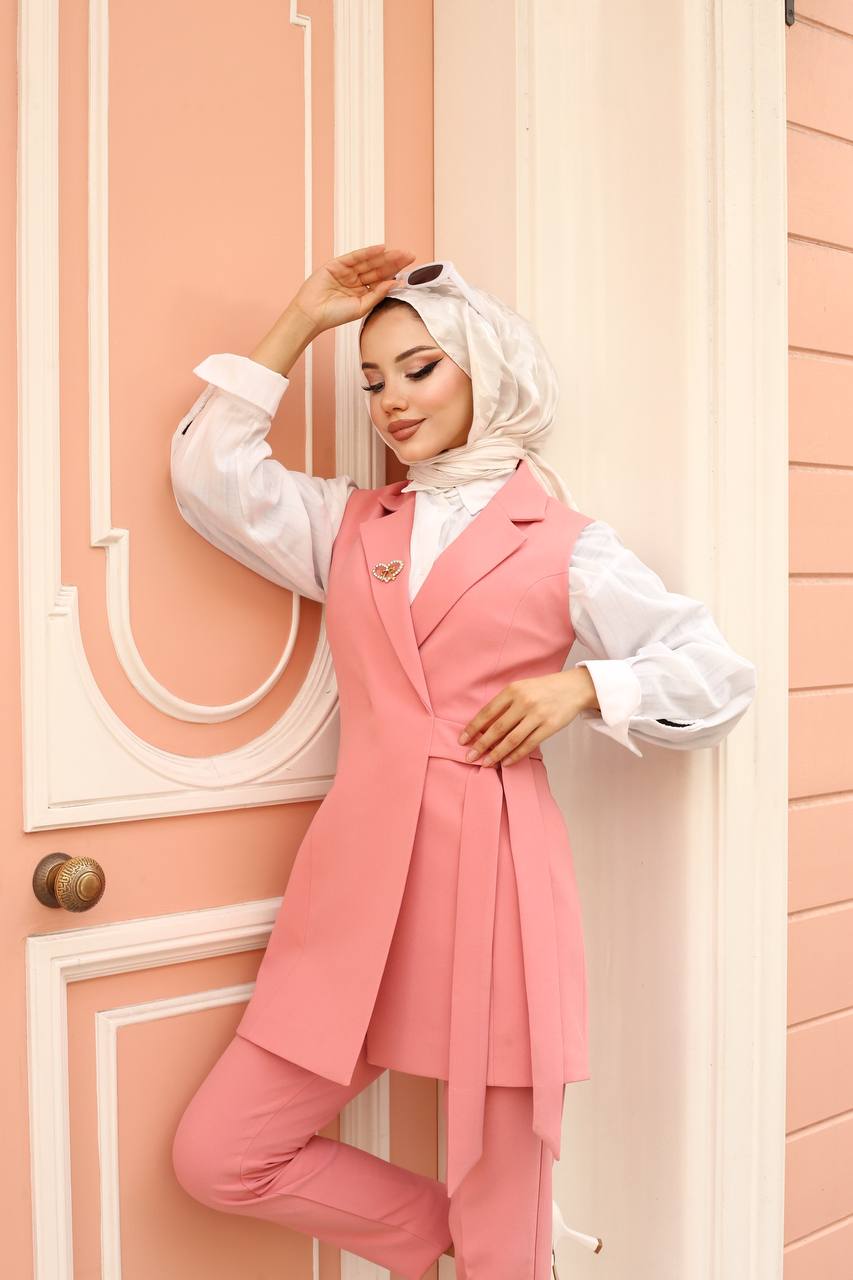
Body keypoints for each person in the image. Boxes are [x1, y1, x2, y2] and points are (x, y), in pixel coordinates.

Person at [168, 247, 758, 1279]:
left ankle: (504, 1247)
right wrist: (304, 317)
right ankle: (446, 1238)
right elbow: (209, 471)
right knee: (218, 1152)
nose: (391, 398)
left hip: (496, 881)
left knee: (503, 1191)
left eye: (419, 366)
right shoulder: (351, 525)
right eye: (373, 378)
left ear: (486, 365)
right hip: (352, 892)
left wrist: (583, 689)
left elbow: (717, 675)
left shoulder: (566, 542)